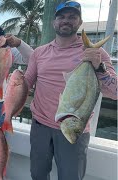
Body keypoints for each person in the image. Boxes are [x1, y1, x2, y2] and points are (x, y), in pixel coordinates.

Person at [24, 1, 117, 180]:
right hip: (40, 127)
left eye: (72, 17)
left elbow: (115, 93)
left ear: (79, 22)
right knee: (37, 175)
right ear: (54, 22)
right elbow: (27, 82)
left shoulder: (97, 54)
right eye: (62, 17)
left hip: (75, 129)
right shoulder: (39, 52)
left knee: (70, 177)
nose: (66, 20)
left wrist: (99, 68)